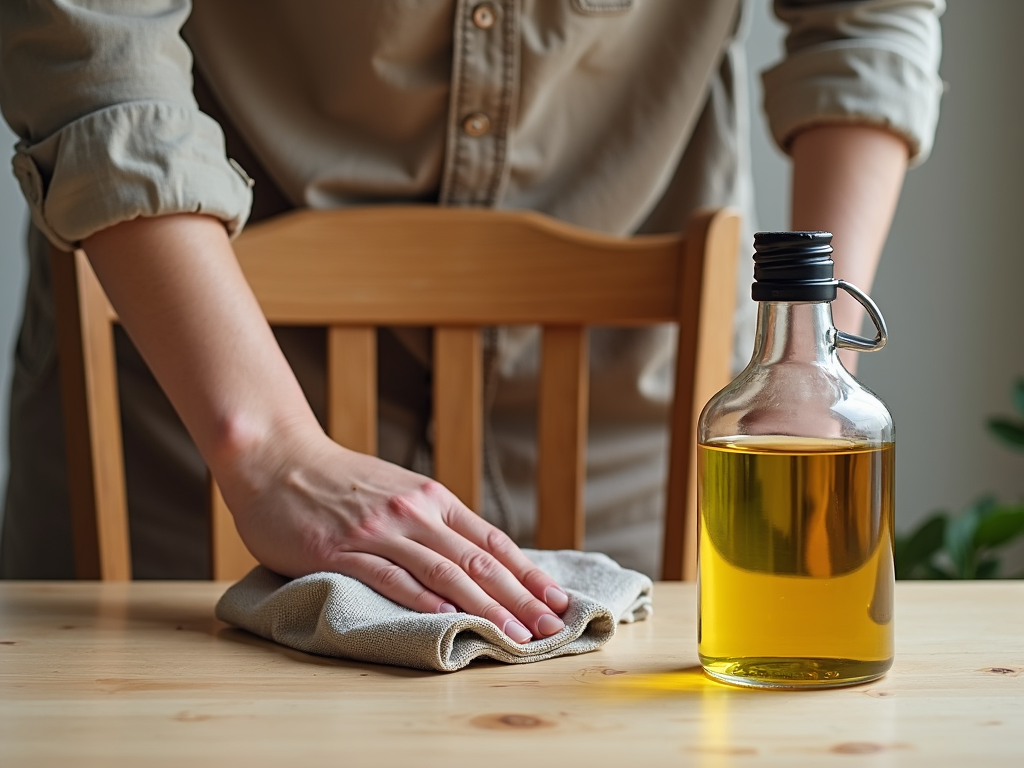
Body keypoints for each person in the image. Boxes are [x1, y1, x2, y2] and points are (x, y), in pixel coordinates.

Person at [0, 1, 943, 642]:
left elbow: (867, 22)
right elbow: (90, 38)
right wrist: (268, 443)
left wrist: (806, 362)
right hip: (181, 430)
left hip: (635, 433)